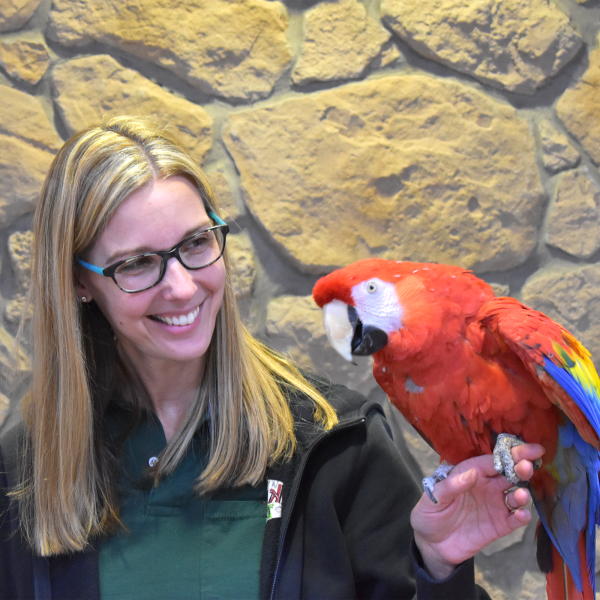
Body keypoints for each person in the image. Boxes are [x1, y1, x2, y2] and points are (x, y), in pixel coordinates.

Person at [0, 116, 543, 600]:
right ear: (79, 284)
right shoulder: (24, 467)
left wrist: (436, 570)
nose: (183, 288)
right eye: (138, 264)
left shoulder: (338, 445)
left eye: (195, 244)